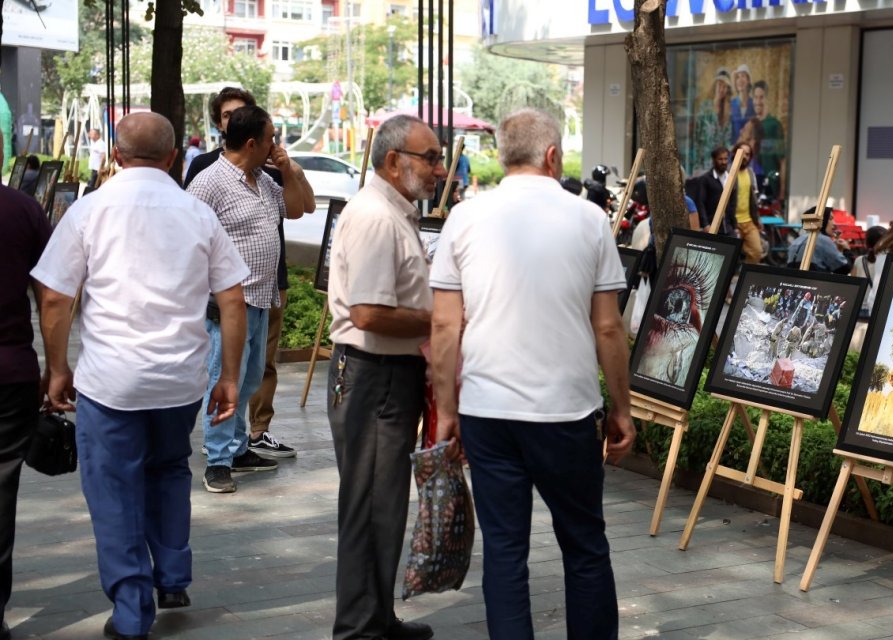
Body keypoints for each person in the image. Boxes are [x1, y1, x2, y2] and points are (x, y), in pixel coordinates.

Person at [32, 112, 249, 640]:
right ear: (173, 157)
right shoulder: (197, 213)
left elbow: (57, 298)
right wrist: (230, 377)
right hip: (180, 379)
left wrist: (57, 368)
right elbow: (233, 299)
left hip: (111, 381)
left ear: (116, 154)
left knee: (113, 486)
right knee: (169, 468)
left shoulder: (89, 211)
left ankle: (132, 609)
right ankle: (172, 575)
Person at [430, 108, 636, 640]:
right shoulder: (589, 218)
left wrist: (446, 410)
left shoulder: (464, 218)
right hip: (565, 411)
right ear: (551, 156)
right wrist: (622, 409)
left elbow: (446, 326)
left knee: (504, 552)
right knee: (585, 546)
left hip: (487, 411)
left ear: (502, 156)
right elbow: (609, 328)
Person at [326, 114, 442, 640]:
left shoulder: (394, 211)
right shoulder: (377, 215)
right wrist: (443, 319)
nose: (440, 170)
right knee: (370, 503)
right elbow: (369, 313)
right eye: (431, 158)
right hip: (374, 374)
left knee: (383, 501)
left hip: (386, 373)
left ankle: (374, 617)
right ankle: (359, 626)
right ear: (394, 161)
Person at [186, 87, 315, 466]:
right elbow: (187, 237)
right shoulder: (209, 181)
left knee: (248, 379)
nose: (276, 143)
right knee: (223, 378)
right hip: (229, 304)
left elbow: (295, 210)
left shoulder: (263, 178)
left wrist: (287, 167)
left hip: (262, 296)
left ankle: (238, 448)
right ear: (252, 142)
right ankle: (217, 460)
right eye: (272, 137)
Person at [0, 148, 51, 640]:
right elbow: (50, 291)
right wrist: (57, 365)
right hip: (8, 370)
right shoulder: (21, 209)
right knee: (0, 491)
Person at [786, 206, 852, 274]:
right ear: (822, 221)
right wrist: (846, 249)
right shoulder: (823, 240)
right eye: (830, 218)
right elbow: (845, 268)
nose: (834, 223)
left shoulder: (795, 242)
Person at [751, 80, 787, 200]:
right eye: (755, 97)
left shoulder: (774, 125)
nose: (758, 101)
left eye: (761, 97)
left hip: (769, 185)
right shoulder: (749, 124)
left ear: (767, 99)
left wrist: (781, 192)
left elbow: (782, 161)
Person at [693, 68, 733, 171]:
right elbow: (697, 138)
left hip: (721, 164)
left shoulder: (728, 113)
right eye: (720, 85)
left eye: (725, 87)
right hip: (704, 162)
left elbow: (727, 139)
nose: (721, 89)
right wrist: (697, 164)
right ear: (715, 86)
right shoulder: (705, 108)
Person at [730, 141, 763, 264]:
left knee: (757, 251)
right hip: (733, 223)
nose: (745, 157)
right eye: (742, 153)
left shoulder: (750, 172)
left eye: (748, 154)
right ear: (735, 153)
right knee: (731, 257)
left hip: (748, 221)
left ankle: (745, 278)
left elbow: (753, 199)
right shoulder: (729, 172)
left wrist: (757, 219)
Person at [690, 147, 731, 234]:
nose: (723, 162)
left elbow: (733, 204)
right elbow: (700, 203)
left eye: (725, 159)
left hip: (728, 227)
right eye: (720, 159)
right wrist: (705, 224)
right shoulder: (705, 179)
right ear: (714, 160)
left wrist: (734, 225)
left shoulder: (731, 178)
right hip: (712, 226)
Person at [729, 64, 753, 143]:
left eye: (743, 76)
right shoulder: (731, 104)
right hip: (735, 150)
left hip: (750, 150)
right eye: (738, 77)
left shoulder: (754, 104)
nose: (740, 80)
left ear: (748, 80)